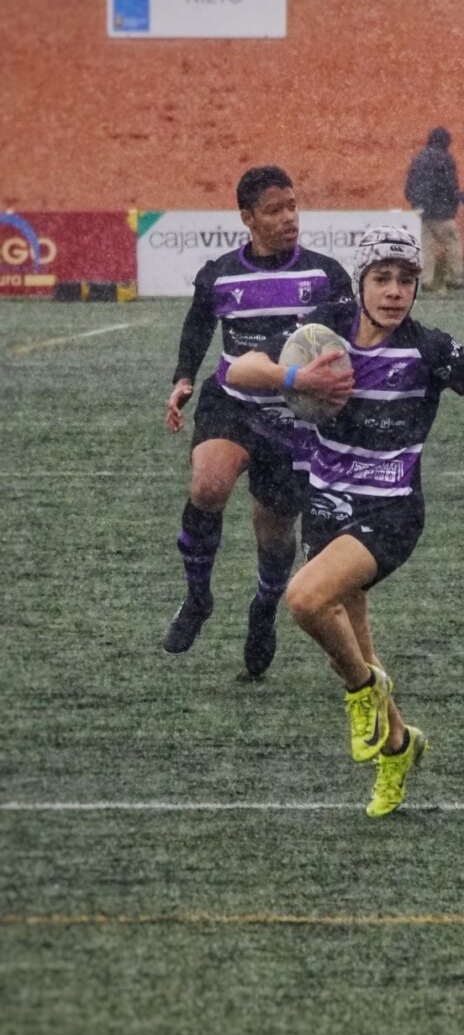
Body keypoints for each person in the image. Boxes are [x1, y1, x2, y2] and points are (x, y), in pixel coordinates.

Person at [225, 226, 464, 817]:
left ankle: (365, 690)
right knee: (350, 640)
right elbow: (239, 371)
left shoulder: (427, 348)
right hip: (327, 506)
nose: (395, 292)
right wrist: (298, 379)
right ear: (361, 282)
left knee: (303, 601)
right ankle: (398, 746)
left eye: (406, 281)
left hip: (391, 510)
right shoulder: (323, 330)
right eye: (383, 278)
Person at [163, 165, 354, 678]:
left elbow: (346, 345)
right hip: (233, 401)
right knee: (208, 485)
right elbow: (200, 321)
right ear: (247, 218)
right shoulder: (221, 273)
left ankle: (264, 606)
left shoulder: (326, 276)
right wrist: (183, 377)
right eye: (274, 210)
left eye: (292, 206)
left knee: (274, 536)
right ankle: (198, 598)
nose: (289, 218)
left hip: (293, 420)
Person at [404, 127, 464, 292]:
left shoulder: (418, 158)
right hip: (441, 211)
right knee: (452, 243)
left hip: (421, 211)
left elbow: (409, 186)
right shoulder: (445, 159)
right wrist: (452, 206)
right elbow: (452, 185)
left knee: (425, 246)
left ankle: (426, 281)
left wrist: (416, 203)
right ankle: (456, 279)